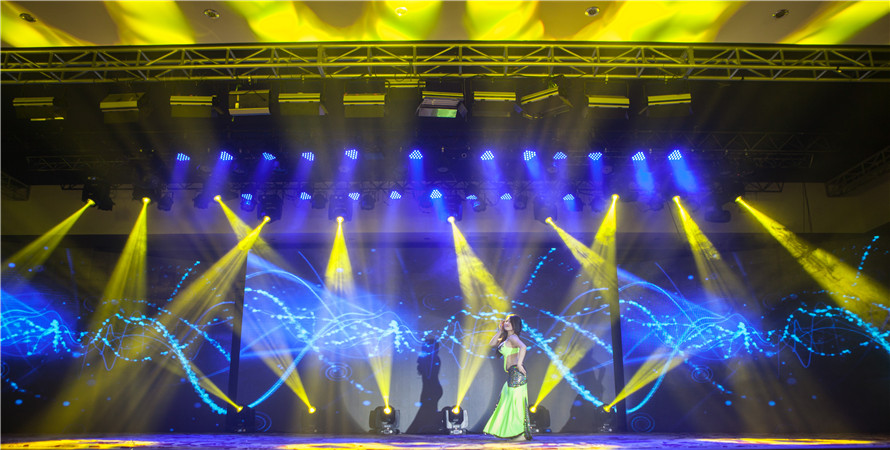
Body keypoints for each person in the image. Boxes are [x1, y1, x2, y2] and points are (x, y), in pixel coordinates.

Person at [483, 314, 532, 440]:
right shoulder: (507, 338)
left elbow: (523, 347)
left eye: (510, 321)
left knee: (514, 403)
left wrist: (520, 363)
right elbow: (492, 343)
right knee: (506, 401)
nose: (506, 323)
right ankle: (511, 432)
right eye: (506, 321)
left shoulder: (513, 337)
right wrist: (500, 331)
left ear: (515, 324)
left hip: (516, 373)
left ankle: (519, 433)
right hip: (512, 373)